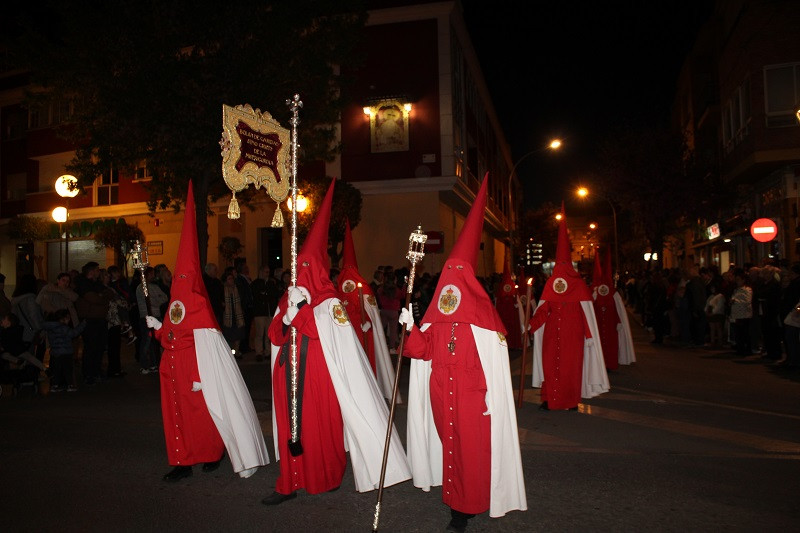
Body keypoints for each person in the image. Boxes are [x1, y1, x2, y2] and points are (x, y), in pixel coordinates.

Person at [263, 178, 410, 506]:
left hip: (321, 378)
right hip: (288, 376)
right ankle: (288, 481)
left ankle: (324, 476)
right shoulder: (290, 295)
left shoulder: (330, 302)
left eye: (305, 267)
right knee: (290, 428)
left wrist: (301, 311)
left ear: (317, 269)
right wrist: (286, 316)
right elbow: (274, 336)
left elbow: (327, 334)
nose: (299, 272)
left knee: (319, 429)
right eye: (297, 267)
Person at [399, 175, 526, 532]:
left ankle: (466, 507)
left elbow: (496, 365)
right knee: (451, 448)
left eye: (459, 272)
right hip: (442, 392)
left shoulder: (485, 320)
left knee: (471, 451)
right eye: (448, 272)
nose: (452, 279)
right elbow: (421, 353)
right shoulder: (437, 318)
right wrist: (410, 328)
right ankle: (459, 501)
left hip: (473, 397)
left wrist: (491, 396)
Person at [145, 180, 268, 481]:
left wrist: (201, 377)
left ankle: (214, 451)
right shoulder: (174, 302)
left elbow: (208, 343)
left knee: (204, 414)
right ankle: (182, 461)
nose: (181, 280)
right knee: (175, 417)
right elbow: (172, 337)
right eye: (179, 275)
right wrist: (160, 329)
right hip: (171, 369)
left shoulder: (198, 303)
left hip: (194, 370)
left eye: (186, 275)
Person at [528, 205, 609, 411]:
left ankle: (571, 401)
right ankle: (550, 400)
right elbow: (543, 311)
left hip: (573, 336)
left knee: (570, 368)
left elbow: (586, 314)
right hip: (552, 335)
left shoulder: (579, 285)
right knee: (551, 366)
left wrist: (590, 337)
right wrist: (530, 326)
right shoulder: (551, 284)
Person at [337, 219, 397, 401]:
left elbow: (372, 312)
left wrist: (368, 323)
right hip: (345, 333)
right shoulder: (336, 289)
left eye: (350, 268)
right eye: (344, 269)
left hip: (362, 332)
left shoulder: (364, 288)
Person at [590, 249, 635, 370]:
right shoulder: (595, 294)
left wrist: (619, 322)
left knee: (611, 345)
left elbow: (618, 310)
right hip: (600, 326)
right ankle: (602, 366)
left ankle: (610, 364)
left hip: (611, 326)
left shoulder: (613, 294)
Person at [74, 262, 114, 385]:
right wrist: (101, 298)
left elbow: (109, 293)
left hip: (100, 320)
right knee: (91, 347)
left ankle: (96, 371)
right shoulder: (83, 284)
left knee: (99, 347)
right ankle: (88, 374)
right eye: (97, 270)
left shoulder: (96, 284)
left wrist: (102, 296)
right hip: (90, 320)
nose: (99, 273)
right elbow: (93, 298)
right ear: (91, 271)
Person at [43, 309, 86, 392]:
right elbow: (73, 333)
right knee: (67, 369)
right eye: (68, 318)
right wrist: (82, 325)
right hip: (66, 352)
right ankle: (70, 385)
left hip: (55, 353)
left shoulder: (50, 328)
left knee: (56, 370)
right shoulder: (63, 328)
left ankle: (54, 385)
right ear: (63, 318)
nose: (69, 320)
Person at [136, 266, 168, 374]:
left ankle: (154, 364)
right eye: (151, 274)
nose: (153, 276)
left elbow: (164, 297)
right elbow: (150, 301)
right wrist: (156, 299)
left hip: (156, 315)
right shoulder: (141, 288)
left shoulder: (155, 287)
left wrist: (157, 299)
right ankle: (144, 365)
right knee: (146, 341)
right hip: (146, 316)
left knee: (155, 340)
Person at [11, 273, 46, 370]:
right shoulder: (30, 299)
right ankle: (29, 377)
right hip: (30, 332)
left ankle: (21, 377)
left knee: (22, 355)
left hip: (20, 331)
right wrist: (40, 329)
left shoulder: (15, 300)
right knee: (30, 355)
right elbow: (33, 316)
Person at [250, 265, 279, 362]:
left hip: (269, 311)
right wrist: (265, 295)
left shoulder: (271, 283)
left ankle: (268, 351)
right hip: (260, 312)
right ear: (261, 272)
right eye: (266, 272)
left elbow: (274, 295)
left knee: (268, 333)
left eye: (268, 272)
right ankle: (258, 352)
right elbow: (257, 296)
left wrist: (266, 295)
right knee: (259, 333)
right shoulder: (255, 283)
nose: (267, 274)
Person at [494, 261, 522, 351]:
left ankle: (514, 344)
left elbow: (518, 306)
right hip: (503, 319)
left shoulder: (514, 294)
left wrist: (516, 303)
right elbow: (496, 307)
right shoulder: (499, 296)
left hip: (512, 318)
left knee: (512, 332)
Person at [221, 269, 245, 358]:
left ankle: (236, 352)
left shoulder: (237, 288)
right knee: (229, 335)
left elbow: (242, 300)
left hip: (237, 315)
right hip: (228, 316)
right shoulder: (223, 289)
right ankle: (231, 353)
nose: (231, 280)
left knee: (238, 335)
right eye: (229, 279)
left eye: (232, 278)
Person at [730, 268, 753, 356]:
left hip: (744, 315)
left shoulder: (747, 290)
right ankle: (740, 349)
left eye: (738, 280)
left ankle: (746, 350)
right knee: (738, 333)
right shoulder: (736, 290)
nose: (737, 282)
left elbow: (747, 301)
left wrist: (735, 301)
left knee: (744, 334)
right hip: (737, 314)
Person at [233, 257, 254, 354]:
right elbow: (243, 293)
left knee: (248, 326)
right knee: (244, 327)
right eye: (245, 268)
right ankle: (242, 346)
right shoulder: (240, 279)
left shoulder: (248, 278)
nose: (248, 269)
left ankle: (246, 345)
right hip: (244, 306)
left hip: (249, 306)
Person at [203, 263, 225, 327]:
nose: (217, 272)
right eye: (215, 270)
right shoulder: (203, 281)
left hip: (217, 309)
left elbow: (221, 293)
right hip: (208, 310)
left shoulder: (217, 281)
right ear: (209, 270)